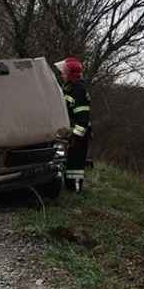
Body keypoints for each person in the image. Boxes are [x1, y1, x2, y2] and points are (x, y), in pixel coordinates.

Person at [55, 58, 91, 192]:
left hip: (79, 135)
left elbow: (83, 119)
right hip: (70, 133)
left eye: (64, 73)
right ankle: (69, 186)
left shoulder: (79, 90)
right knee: (68, 162)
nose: (62, 75)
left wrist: (75, 136)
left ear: (71, 75)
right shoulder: (68, 88)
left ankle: (75, 190)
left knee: (76, 164)